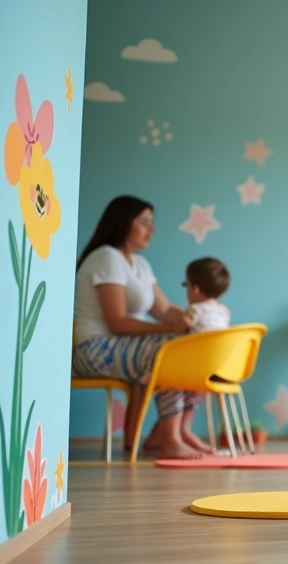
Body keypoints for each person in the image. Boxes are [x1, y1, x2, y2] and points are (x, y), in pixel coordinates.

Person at [72, 196, 206, 459]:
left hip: (124, 349)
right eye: (144, 222)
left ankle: (169, 432)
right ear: (123, 223)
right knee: (173, 352)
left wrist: (200, 319)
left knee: (195, 347)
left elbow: (165, 310)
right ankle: (171, 439)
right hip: (94, 350)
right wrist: (174, 329)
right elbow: (118, 323)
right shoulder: (106, 257)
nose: (151, 229)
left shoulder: (141, 265)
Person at [181, 257, 232, 414]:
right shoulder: (225, 311)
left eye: (186, 285)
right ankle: (184, 424)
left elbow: (178, 329)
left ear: (195, 289)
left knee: (169, 348)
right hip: (221, 367)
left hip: (197, 367)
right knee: (194, 393)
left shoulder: (195, 310)